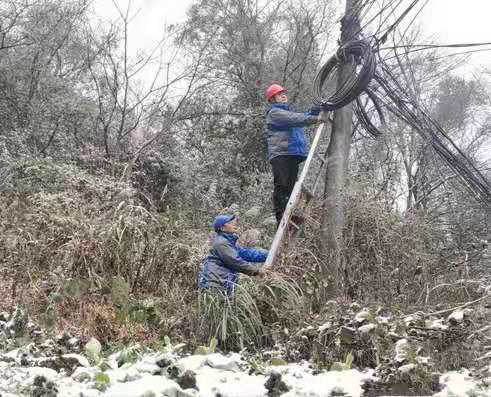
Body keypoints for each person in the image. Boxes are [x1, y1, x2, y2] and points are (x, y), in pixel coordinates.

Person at [264, 83, 327, 228]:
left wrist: (316, 110)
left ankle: (290, 215)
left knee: (291, 188)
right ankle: (281, 218)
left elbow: (300, 117)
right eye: (280, 94)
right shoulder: (274, 113)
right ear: (272, 98)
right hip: (281, 155)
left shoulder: (288, 113)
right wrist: (314, 118)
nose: (284, 95)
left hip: (291, 154)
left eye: (284, 93)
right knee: (282, 185)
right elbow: (296, 118)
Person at [198, 214, 268, 295]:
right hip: (214, 286)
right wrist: (257, 271)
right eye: (230, 222)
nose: (234, 223)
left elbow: (248, 254)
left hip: (222, 284)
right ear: (222, 228)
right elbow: (235, 261)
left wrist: (268, 255)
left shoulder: (229, 243)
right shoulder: (221, 243)